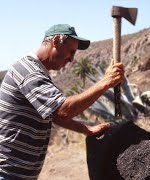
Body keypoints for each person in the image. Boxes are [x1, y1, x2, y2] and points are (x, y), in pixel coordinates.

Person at [0, 24, 125, 179]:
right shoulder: (28, 72)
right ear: (57, 41)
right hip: (8, 173)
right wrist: (105, 82)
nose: (72, 59)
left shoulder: (38, 72)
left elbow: (55, 115)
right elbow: (63, 111)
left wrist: (86, 129)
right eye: (71, 51)